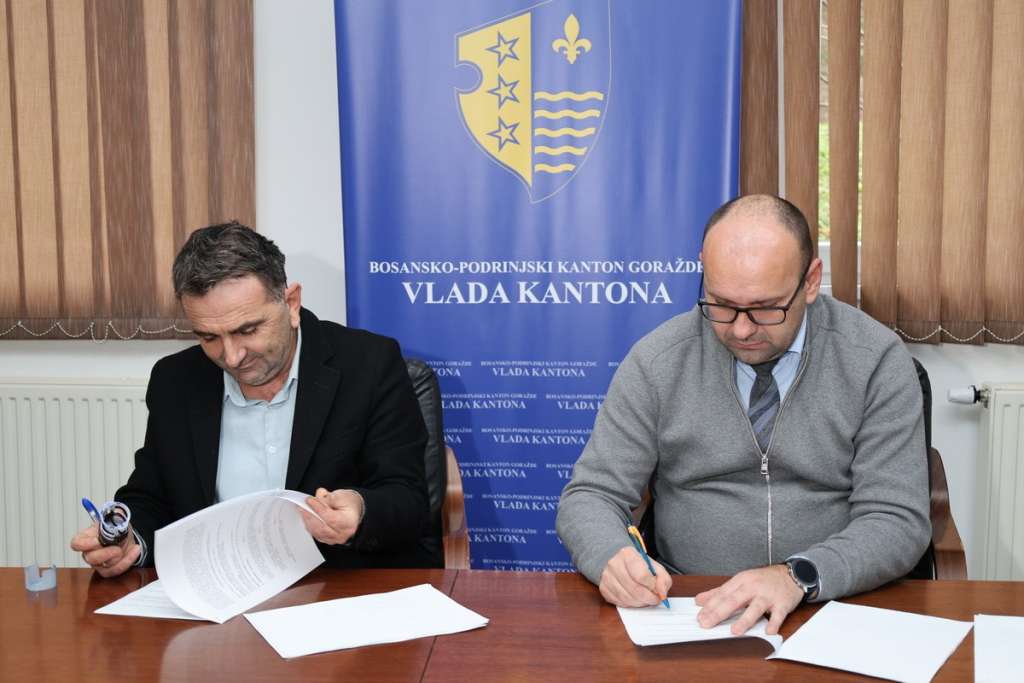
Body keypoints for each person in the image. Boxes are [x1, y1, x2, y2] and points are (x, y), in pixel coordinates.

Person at [556, 194, 930, 636]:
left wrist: (797, 576)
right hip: (691, 609)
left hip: (831, 602)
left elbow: (896, 519)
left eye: (766, 308)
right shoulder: (657, 362)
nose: (741, 328)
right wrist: (610, 555)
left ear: (811, 281)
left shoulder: (874, 360)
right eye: (721, 303)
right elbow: (590, 495)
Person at [71, 221, 434, 575]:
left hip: (334, 588)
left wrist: (361, 509)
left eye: (247, 330)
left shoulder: (369, 365)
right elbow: (151, 495)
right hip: (218, 588)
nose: (232, 357)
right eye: (209, 337)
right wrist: (130, 540)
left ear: (291, 303)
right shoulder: (176, 380)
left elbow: (407, 497)